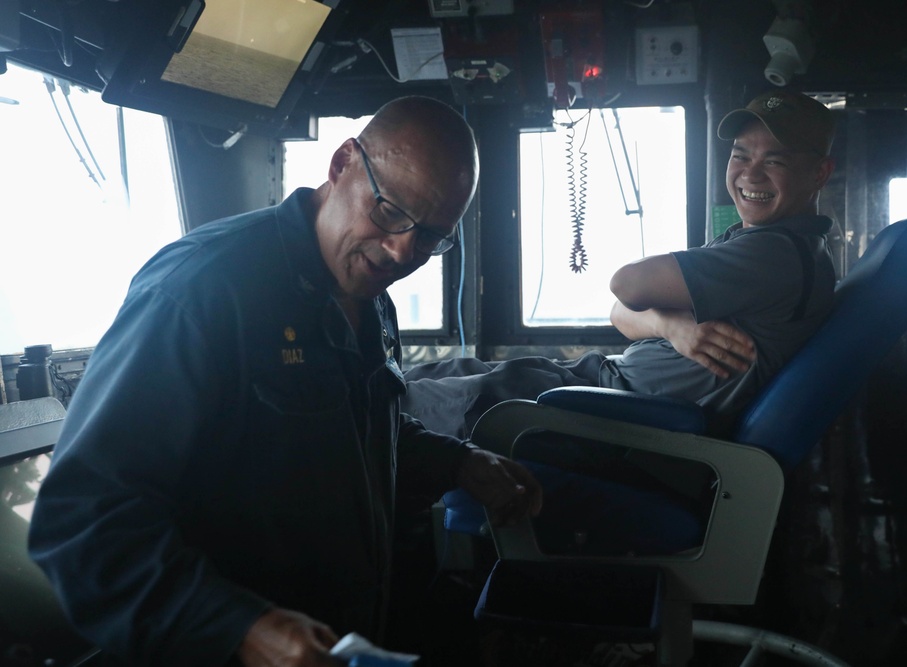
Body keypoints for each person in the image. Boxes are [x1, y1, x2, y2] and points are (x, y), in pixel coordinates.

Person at [27, 96, 542, 667]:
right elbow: (80, 520)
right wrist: (241, 629)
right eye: (391, 211)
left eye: (430, 237)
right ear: (343, 162)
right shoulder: (203, 289)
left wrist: (457, 463)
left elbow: (351, 441)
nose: (402, 251)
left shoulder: (370, 299)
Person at [403, 89, 838, 439]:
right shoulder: (762, 243)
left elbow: (627, 285)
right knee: (425, 377)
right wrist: (672, 327)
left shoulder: (775, 253)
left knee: (399, 408)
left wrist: (658, 317)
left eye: (775, 160)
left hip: (608, 414)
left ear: (819, 173)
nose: (750, 174)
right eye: (741, 155)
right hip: (601, 386)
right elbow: (620, 313)